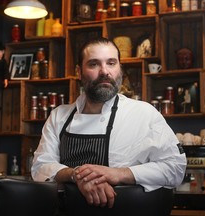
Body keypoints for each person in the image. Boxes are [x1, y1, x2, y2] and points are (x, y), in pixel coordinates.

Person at [31, 37, 187, 208]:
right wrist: (76, 175)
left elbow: (175, 168)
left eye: (111, 63)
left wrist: (119, 174)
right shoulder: (59, 116)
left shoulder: (144, 114)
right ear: (79, 71)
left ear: (119, 69)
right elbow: (40, 167)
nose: (104, 71)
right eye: (93, 64)